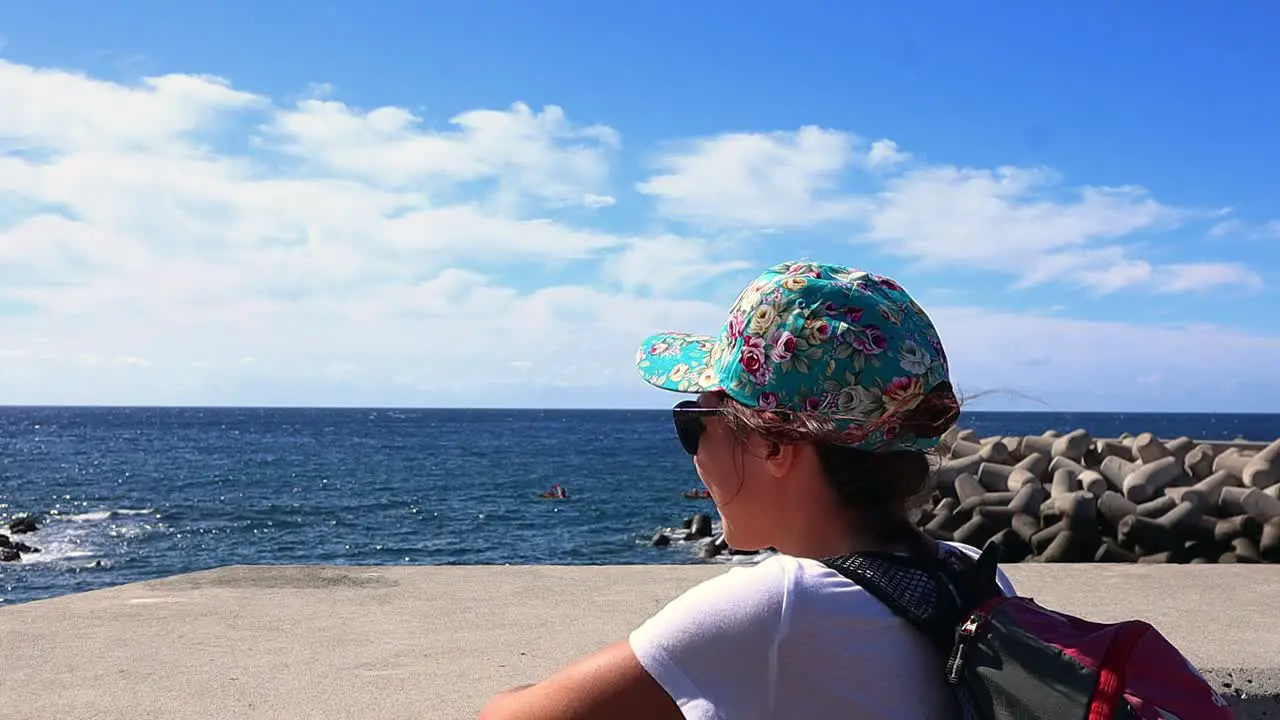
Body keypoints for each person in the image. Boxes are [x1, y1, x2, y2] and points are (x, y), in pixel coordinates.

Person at [479, 260, 1016, 720]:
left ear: (775, 447)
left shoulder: (776, 609)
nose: (693, 453)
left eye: (694, 421)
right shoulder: (975, 577)